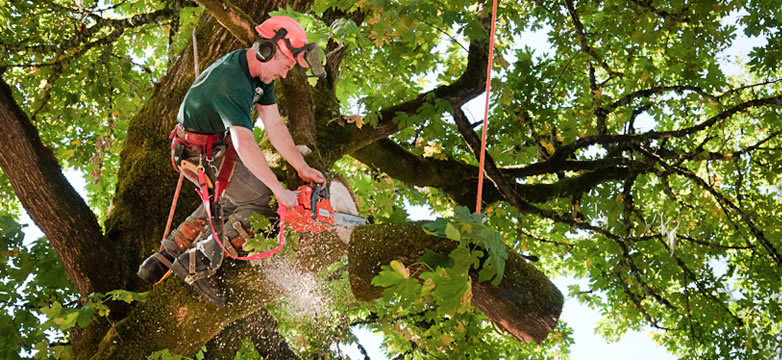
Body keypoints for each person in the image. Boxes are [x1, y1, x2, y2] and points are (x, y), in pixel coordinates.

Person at [137, 16, 326, 306]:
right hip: (198, 152)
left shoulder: (258, 76)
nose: (285, 75)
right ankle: (197, 263)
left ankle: (169, 252)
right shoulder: (233, 82)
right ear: (267, 50)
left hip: (212, 149)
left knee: (235, 196)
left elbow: (274, 126)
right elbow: (245, 143)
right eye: (285, 66)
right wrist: (280, 192)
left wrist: (302, 166)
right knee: (263, 203)